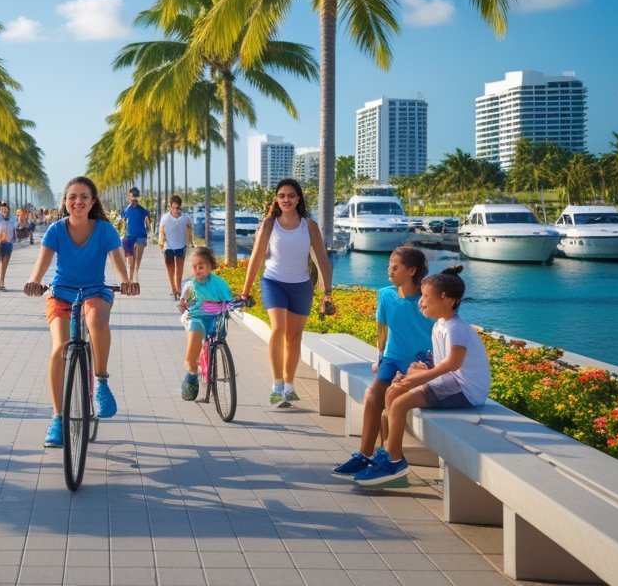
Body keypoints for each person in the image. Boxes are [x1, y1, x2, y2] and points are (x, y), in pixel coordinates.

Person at [24, 176, 140, 447]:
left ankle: (101, 381)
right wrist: (33, 282)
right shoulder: (55, 230)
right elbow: (41, 266)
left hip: (94, 291)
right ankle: (57, 417)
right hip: (61, 292)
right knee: (59, 347)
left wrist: (126, 281)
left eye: (84, 197)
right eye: (72, 197)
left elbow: (118, 261)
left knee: (97, 321)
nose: (78, 201)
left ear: (93, 201)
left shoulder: (104, 230)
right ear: (65, 202)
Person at [354, 265, 492, 487]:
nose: (421, 301)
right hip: (451, 383)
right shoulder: (440, 325)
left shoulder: (456, 328)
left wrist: (420, 378)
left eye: (426, 296)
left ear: (445, 298)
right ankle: (389, 452)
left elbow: (453, 363)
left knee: (399, 404)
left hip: (465, 390)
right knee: (393, 391)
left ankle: (393, 460)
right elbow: (439, 362)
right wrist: (417, 370)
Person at [332, 246, 432, 477]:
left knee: (391, 400)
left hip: (420, 365)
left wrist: (428, 367)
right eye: (389, 265)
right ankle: (365, 454)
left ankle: (388, 456)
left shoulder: (427, 300)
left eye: (395, 267)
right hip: (392, 360)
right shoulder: (385, 295)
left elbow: (440, 332)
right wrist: (379, 360)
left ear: (412, 270)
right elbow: (381, 331)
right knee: (373, 394)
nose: (390, 270)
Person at [239, 178, 334, 409]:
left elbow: (321, 260)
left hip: (301, 286)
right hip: (274, 282)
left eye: (291, 195)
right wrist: (245, 290)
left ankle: (289, 386)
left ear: (298, 198)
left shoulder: (309, 226)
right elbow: (256, 257)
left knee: (293, 337)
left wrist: (327, 293)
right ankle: (276, 384)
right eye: (282, 196)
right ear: (276, 200)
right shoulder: (269, 225)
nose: (286, 200)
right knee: (279, 328)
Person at [174, 246, 234, 401]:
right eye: (194, 267)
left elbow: (230, 301)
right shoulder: (190, 285)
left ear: (210, 266)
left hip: (216, 319)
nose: (197, 269)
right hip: (198, 319)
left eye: (201, 266)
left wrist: (238, 303)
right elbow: (183, 301)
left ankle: (209, 363)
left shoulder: (219, 283)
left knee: (219, 335)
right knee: (190, 356)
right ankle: (192, 374)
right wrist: (182, 305)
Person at [158, 195, 194, 299]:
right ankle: (174, 289)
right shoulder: (165, 218)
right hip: (168, 247)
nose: (175, 210)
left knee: (179, 270)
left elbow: (189, 229)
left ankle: (178, 289)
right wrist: (161, 243)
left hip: (181, 246)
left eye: (177, 207)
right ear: (170, 207)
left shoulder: (185, 217)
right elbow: (161, 230)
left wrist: (190, 242)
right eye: (173, 207)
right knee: (171, 270)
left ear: (180, 207)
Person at [120, 186, 151, 283]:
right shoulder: (127, 210)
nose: (133, 199)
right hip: (129, 236)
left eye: (135, 197)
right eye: (131, 197)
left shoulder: (142, 210)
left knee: (138, 259)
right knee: (131, 260)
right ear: (129, 198)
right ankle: (130, 278)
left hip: (141, 237)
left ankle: (135, 276)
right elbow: (122, 221)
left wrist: (147, 235)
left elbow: (148, 222)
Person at [0, 202, 14, 291]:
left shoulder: (12, 218)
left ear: (8, 209)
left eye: (5, 209)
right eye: (2, 209)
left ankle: (1, 282)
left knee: (5, 264)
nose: (4, 210)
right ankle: (0, 284)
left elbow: (15, 227)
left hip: (9, 243)